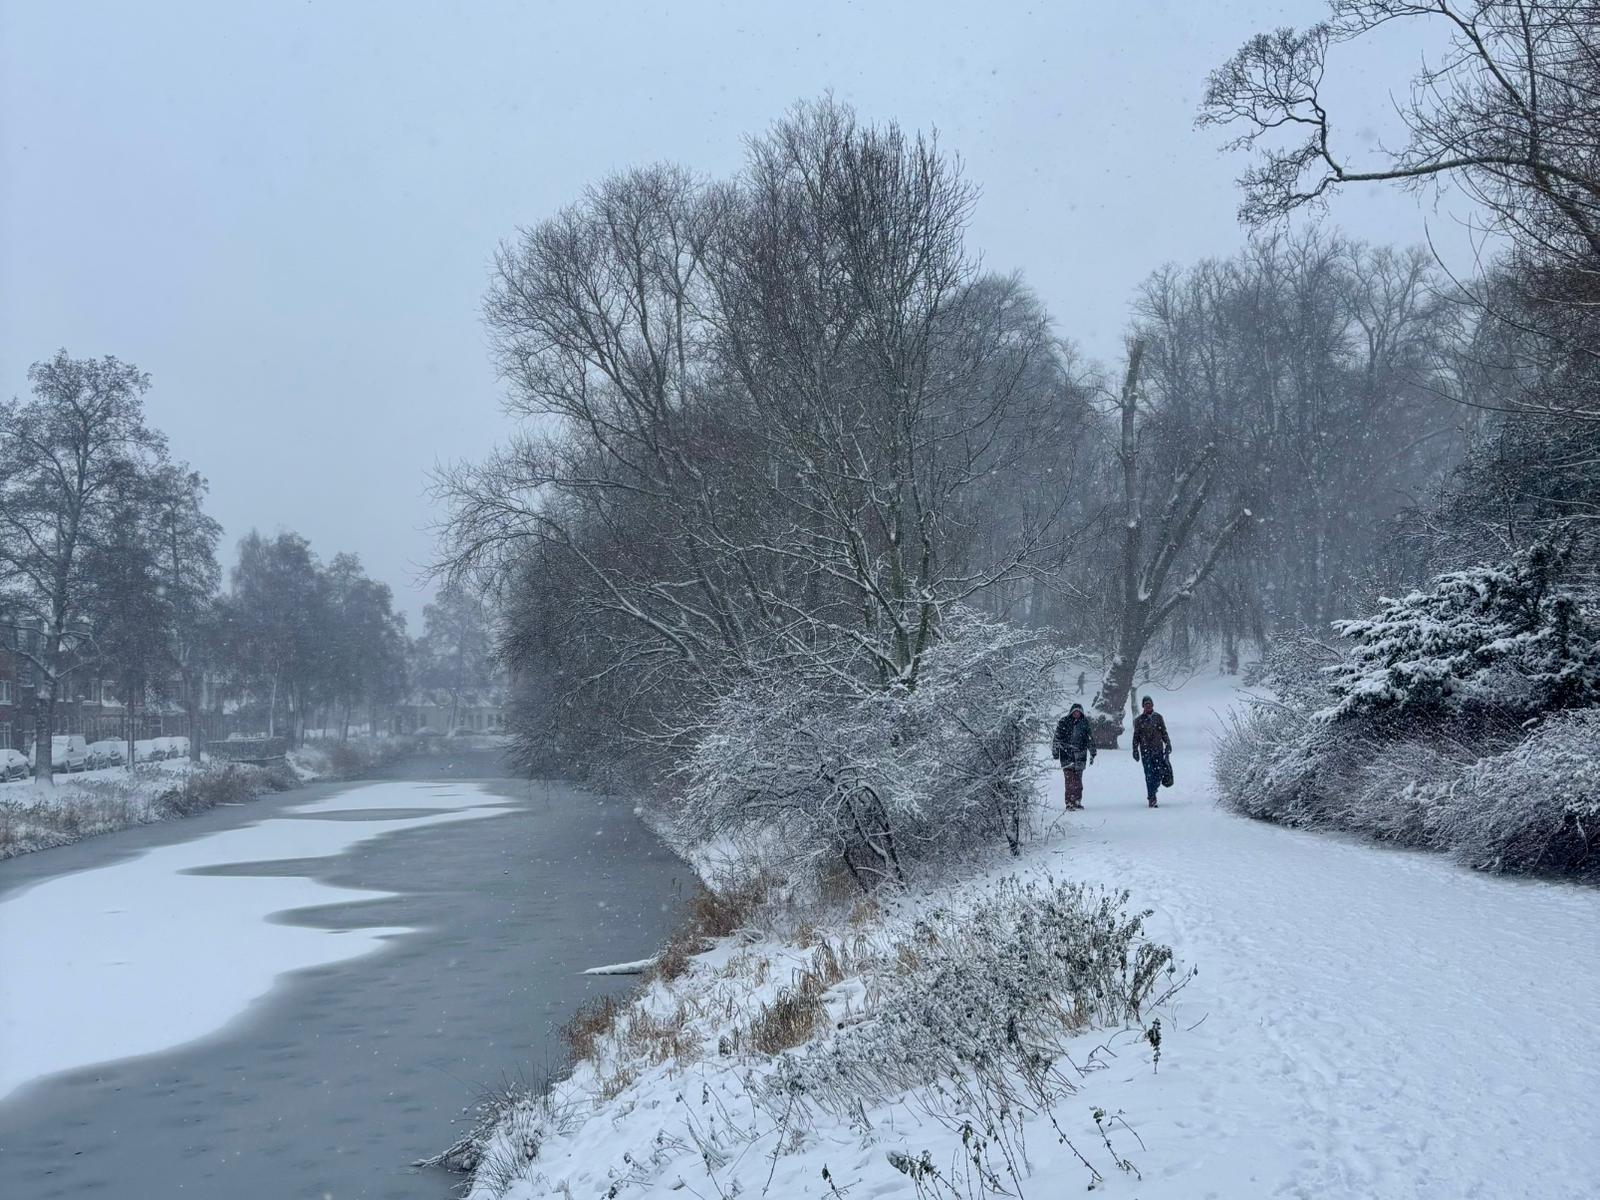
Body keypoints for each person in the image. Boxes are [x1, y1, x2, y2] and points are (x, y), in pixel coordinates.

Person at [1052, 702, 1096, 810]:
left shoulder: (1085, 723)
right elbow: (1057, 738)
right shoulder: (1063, 722)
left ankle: (1077, 801)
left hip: (1080, 756)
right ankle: (1069, 803)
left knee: (1078, 782)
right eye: (1075, 712)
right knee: (1069, 781)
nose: (1077, 714)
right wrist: (1055, 752)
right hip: (1066, 756)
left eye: (1078, 712)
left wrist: (1093, 752)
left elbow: (1090, 739)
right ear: (1071, 712)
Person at [1131, 695, 1172, 808]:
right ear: (1143, 706)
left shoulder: (1158, 717)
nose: (1148, 706)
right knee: (1149, 774)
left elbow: (1164, 732)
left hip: (1158, 750)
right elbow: (1136, 736)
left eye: (1149, 704)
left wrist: (1168, 743)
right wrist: (1135, 750)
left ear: (1152, 705)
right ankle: (1152, 797)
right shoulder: (1138, 721)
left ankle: (1154, 789)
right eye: (1145, 704)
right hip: (1145, 752)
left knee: (1158, 773)